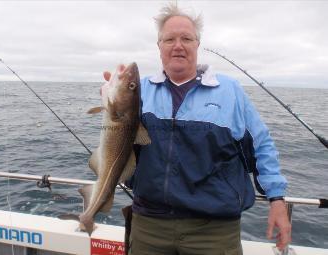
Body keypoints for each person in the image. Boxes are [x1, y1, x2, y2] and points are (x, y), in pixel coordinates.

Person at [121, 4, 291, 255]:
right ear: (159, 46)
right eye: (169, 39)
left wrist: (276, 198)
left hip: (214, 230)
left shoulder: (229, 91)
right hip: (149, 224)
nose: (178, 45)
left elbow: (261, 145)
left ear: (197, 45)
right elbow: (118, 140)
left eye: (186, 38)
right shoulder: (139, 90)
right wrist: (112, 100)